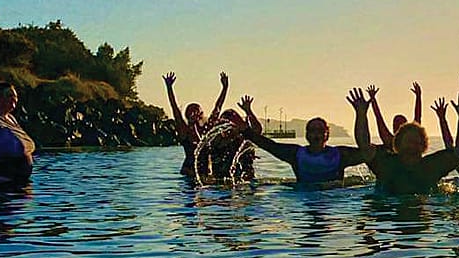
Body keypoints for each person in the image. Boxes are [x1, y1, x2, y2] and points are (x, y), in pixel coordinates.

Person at [349, 86, 459, 195]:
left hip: (421, 209)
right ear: (398, 144)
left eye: (416, 141)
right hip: (388, 213)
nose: (413, 145)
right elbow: (364, 145)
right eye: (409, 141)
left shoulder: (432, 166)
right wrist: (361, 114)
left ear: (423, 146)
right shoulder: (386, 163)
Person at [238, 95, 366, 184]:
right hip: (304, 199)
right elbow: (269, 145)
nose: (316, 135)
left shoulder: (340, 155)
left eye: (320, 131)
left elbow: (367, 151)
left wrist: (361, 115)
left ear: (327, 135)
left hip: (332, 199)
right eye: (312, 131)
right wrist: (246, 131)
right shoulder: (296, 154)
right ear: (306, 135)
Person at [163, 71, 229, 176]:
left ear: (201, 114)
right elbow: (174, 108)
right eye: (192, 112)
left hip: (206, 173)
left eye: (197, 111)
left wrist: (225, 88)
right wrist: (169, 88)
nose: (194, 114)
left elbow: (218, 107)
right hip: (189, 172)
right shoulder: (184, 130)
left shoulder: (208, 130)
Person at [366, 83, 422, 151]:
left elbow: (418, 117)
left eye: (400, 125)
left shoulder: (391, 141)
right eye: (395, 124)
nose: (397, 127)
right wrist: (373, 99)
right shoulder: (389, 141)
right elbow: (378, 118)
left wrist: (418, 97)